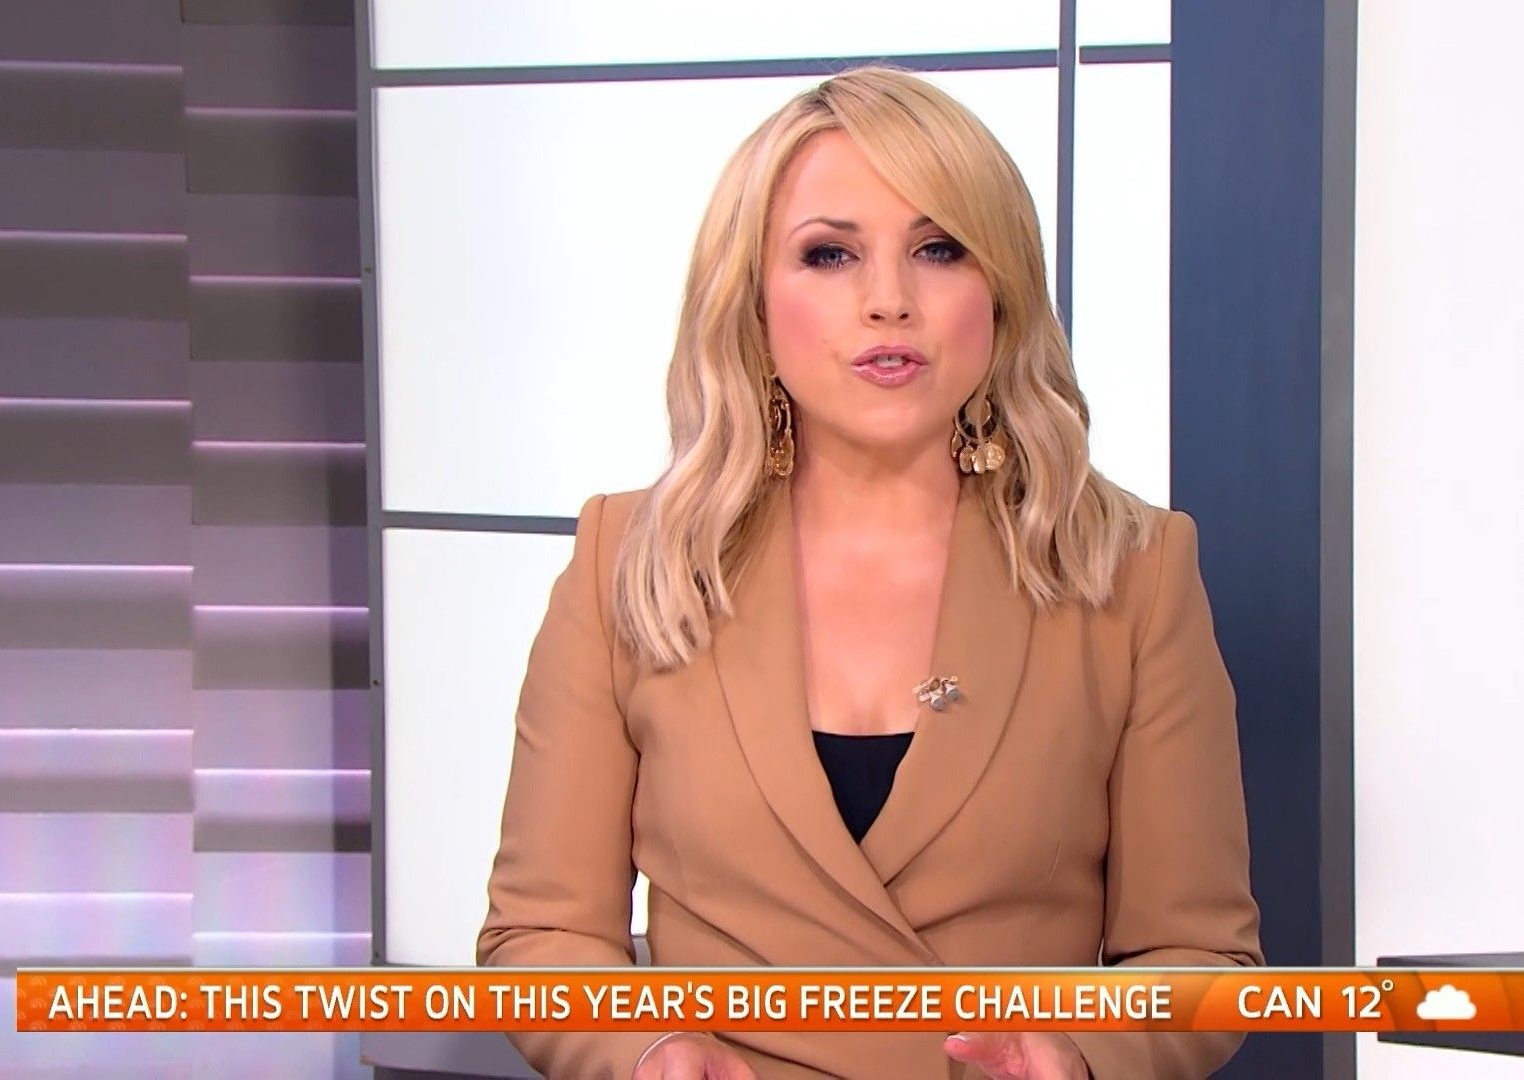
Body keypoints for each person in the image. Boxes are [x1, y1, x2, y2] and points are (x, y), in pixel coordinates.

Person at [478, 64, 1262, 1080]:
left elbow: (1199, 959)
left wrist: (1075, 1054)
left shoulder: (1133, 571)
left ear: (1001, 290)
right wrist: (647, 1051)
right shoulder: (626, 561)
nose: (889, 301)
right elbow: (540, 936)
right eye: (830, 254)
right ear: (752, 299)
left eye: (939, 249)